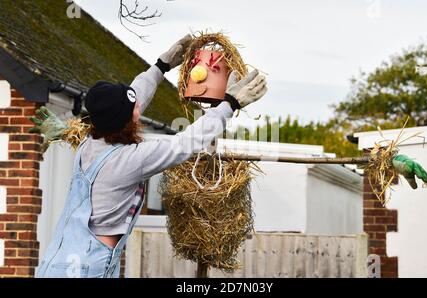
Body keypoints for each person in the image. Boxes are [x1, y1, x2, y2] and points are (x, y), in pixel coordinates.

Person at [34, 34, 268, 278]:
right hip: (86, 270)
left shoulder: (90, 144)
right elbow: (183, 144)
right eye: (135, 111)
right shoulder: (129, 161)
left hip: (55, 263)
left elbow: (132, 98)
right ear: (124, 122)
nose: (139, 109)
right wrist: (228, 105)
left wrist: (160, 67)